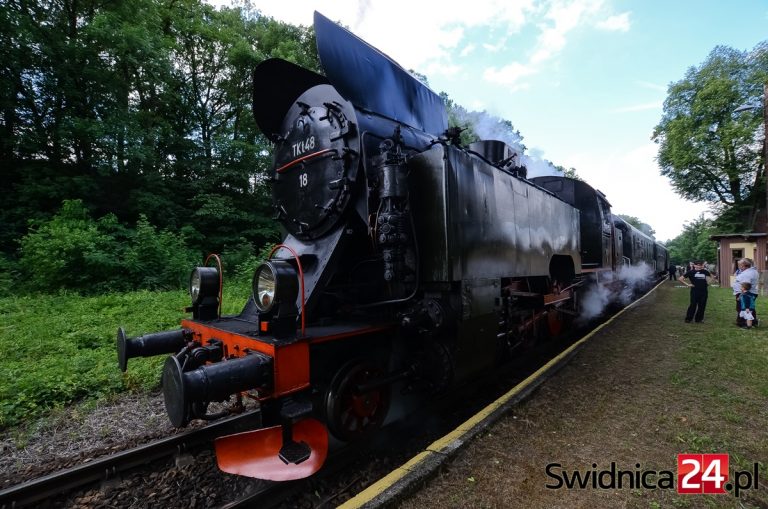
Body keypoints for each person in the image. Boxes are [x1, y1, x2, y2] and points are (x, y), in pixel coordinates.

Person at [732, 258, 759, 327]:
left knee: (742, 308)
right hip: (749, 293)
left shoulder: (747, 273)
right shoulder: (751, 271)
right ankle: (753, 322)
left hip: (745, 293)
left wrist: (741, 295)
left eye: (740, 265)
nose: (739, 266)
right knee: (750, 308)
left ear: (744, 265)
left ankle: (743, 323)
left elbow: (745, 286)